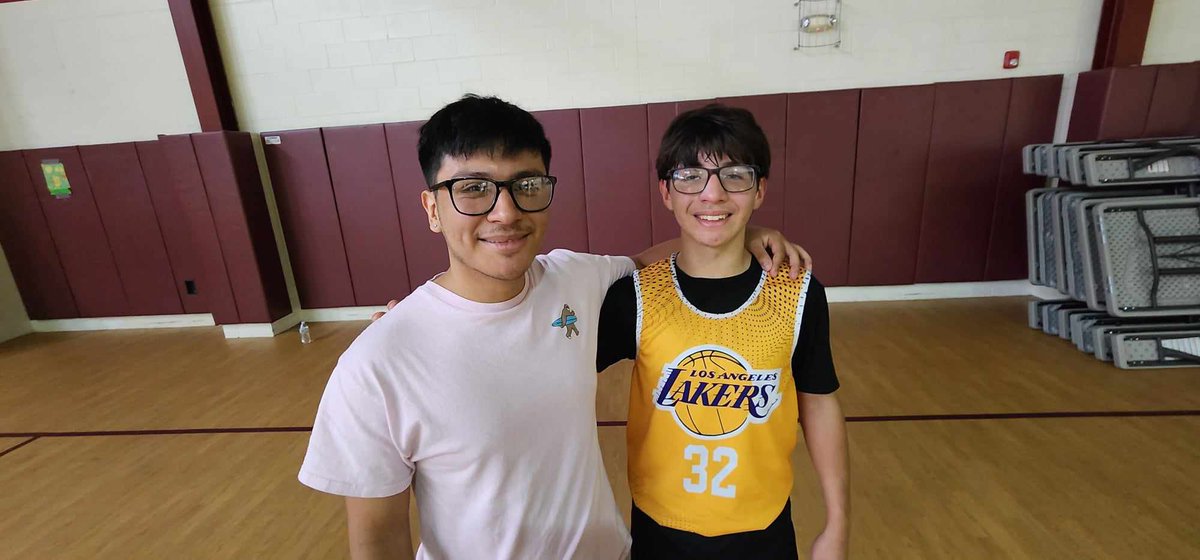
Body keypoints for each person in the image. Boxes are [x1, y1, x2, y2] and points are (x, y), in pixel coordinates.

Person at [299, 95, 811, 559]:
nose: (505, 211)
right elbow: (377, 541)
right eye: (473, 189)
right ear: (432, 208)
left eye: (526, 186)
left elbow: (655, 259)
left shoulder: (575, 279)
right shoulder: (376, 365)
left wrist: (739, 230)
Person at [596, 104, 849, 559]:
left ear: (760, 191)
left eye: (734, 175)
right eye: (690, 176)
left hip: (763, 527)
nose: (712, 194)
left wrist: (837, 522)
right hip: (660, 527)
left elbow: (818, 399)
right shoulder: (633, 296)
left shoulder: (796, 293)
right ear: (666, 192)